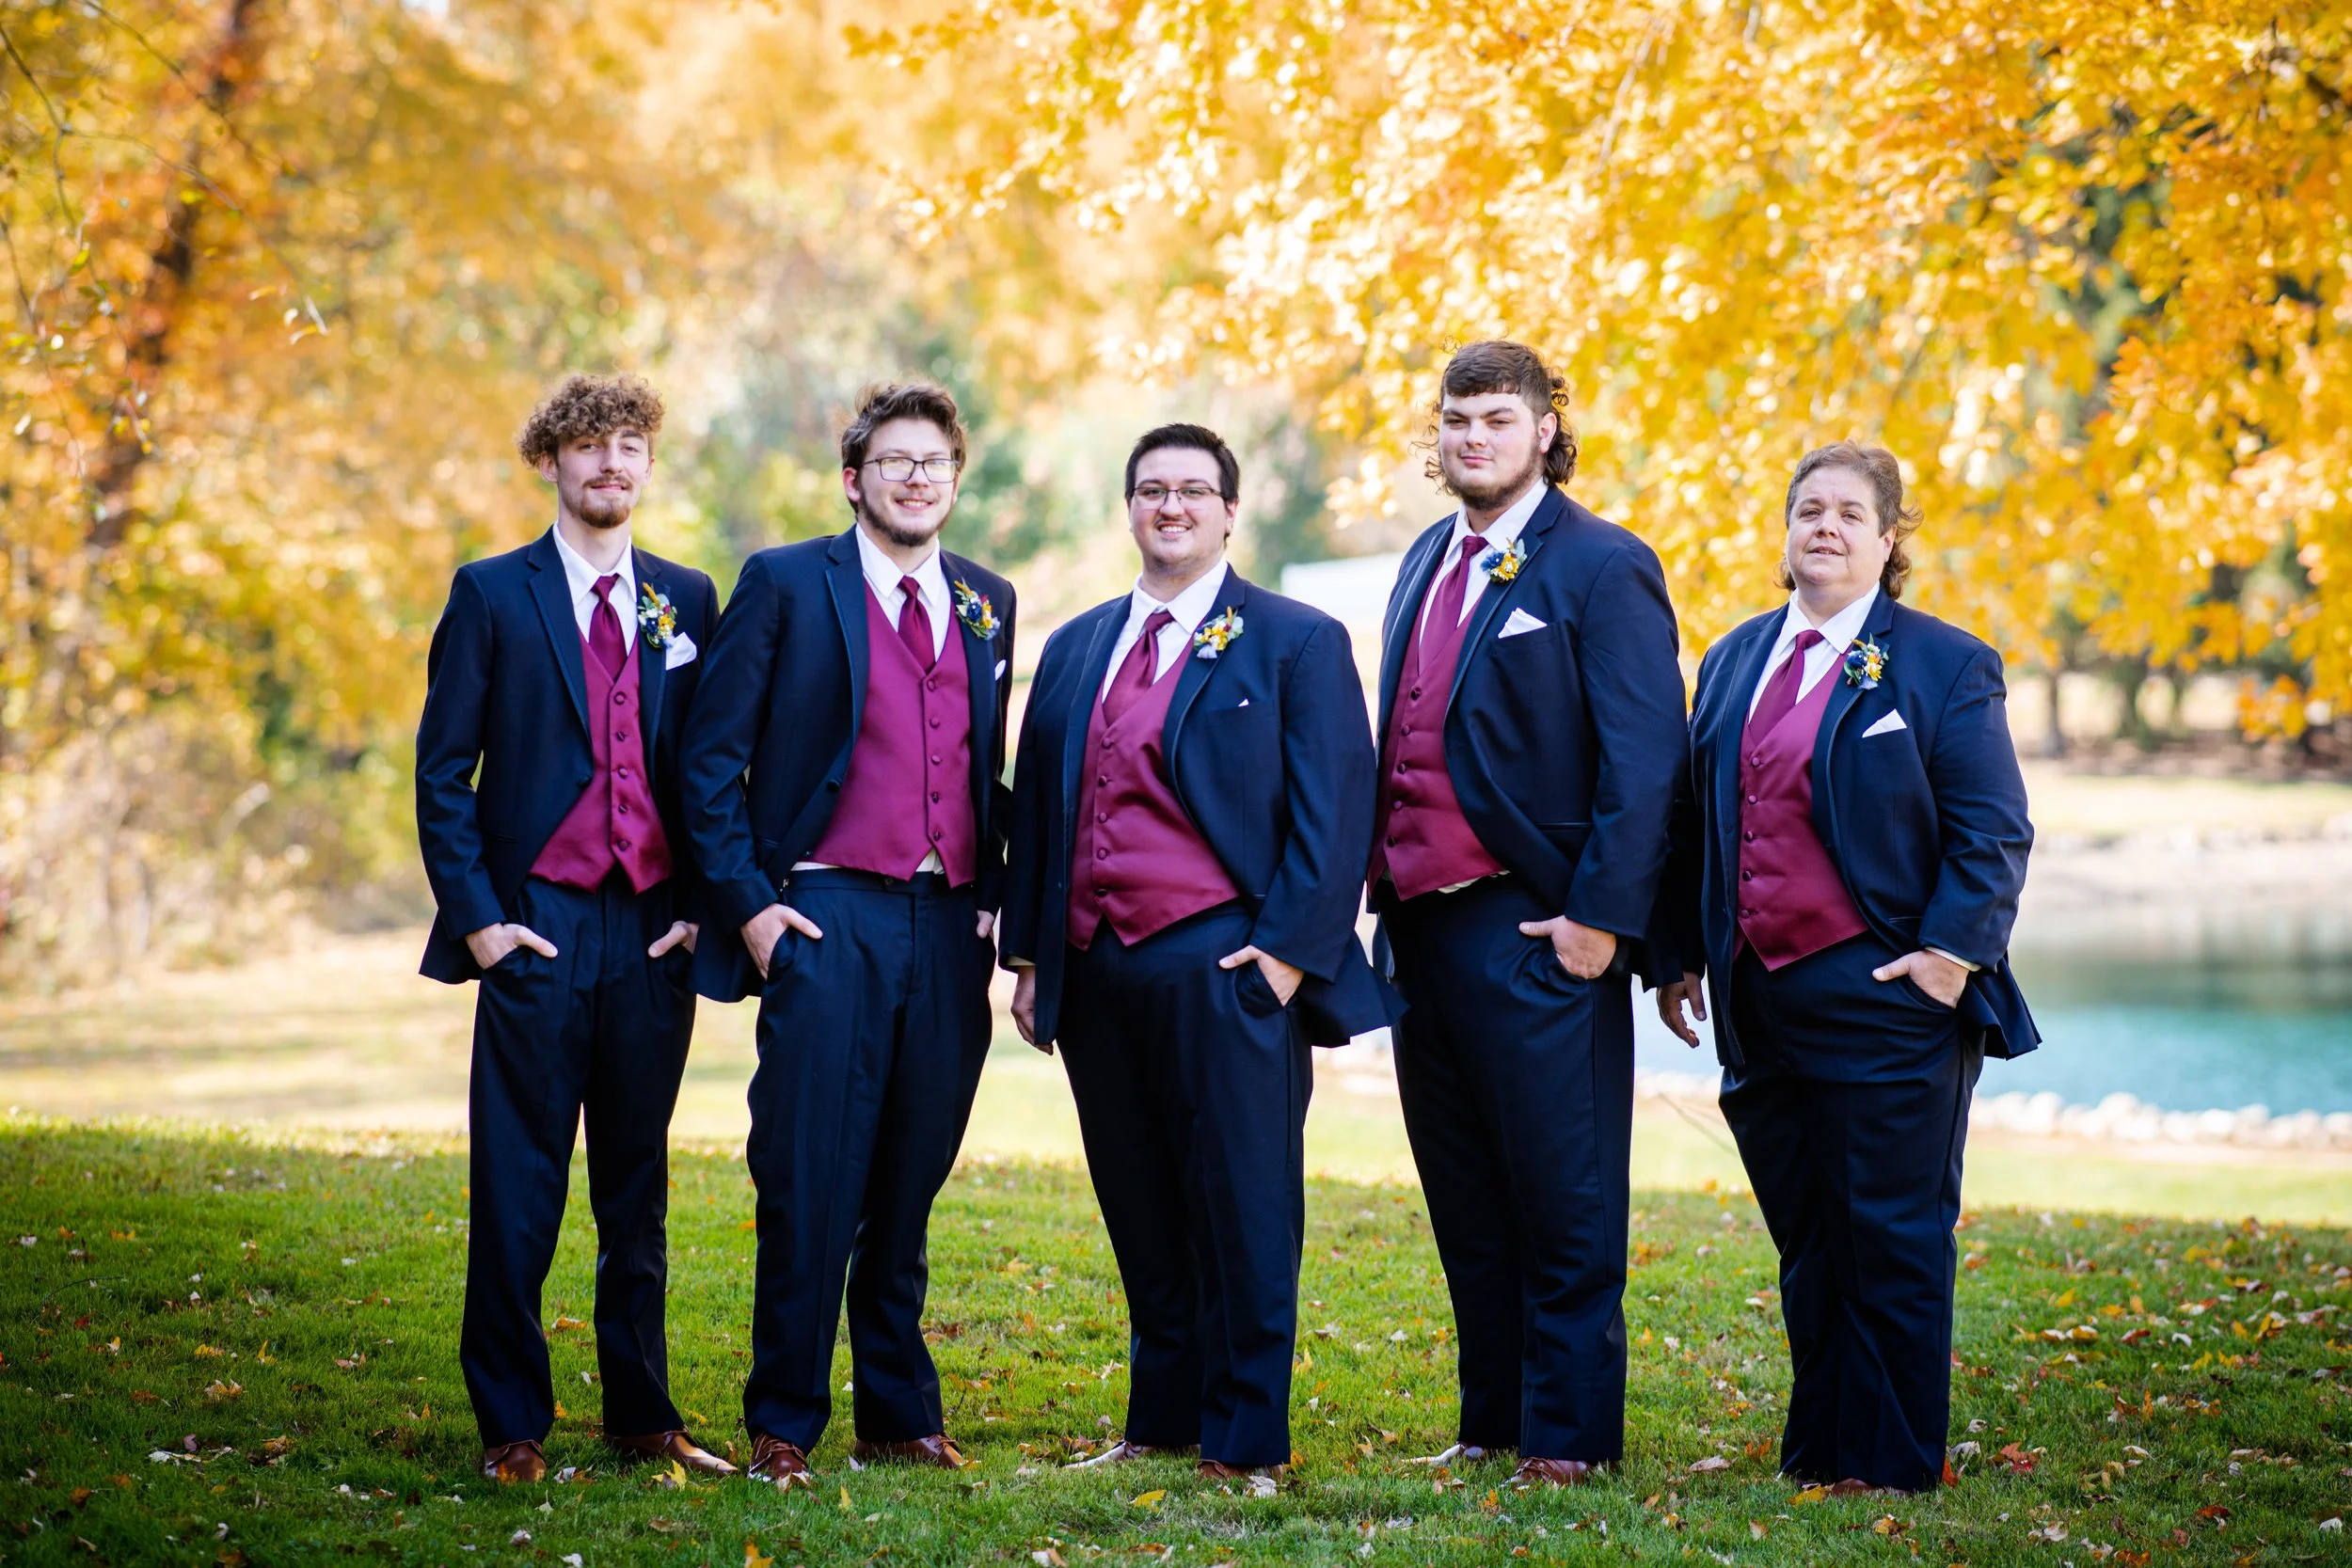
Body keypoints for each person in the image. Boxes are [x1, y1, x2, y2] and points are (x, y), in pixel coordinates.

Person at [999, 423, 1387, 1481]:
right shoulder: (1078, 644)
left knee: (1246, 1206)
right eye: (1151, 490)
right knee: (1139, 1199)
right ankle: (1159, 1418)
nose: (1170, 507)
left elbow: (1335, 807)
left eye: (1192, 491)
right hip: (1097, 969)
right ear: (1129, 507)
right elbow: (1040, 810)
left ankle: (1246, 1436)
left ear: (1227, 510)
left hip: (1228, 967)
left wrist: (1286, 957)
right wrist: (1033, 958)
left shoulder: (1294, 640)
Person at [1652, 441, 2036, 1495]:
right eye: (1807, 508)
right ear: (1785, 530)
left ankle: (1893, 1459)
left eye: (1849, 513)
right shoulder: (1732, 657)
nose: (1824, 525)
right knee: (1810, 1236)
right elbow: (1696, 820)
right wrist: (1679, 950)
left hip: (1888, 997)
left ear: (1887, 538)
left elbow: (1992, 829)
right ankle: (1821, 1447)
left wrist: (1950, 959)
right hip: (1757, 999)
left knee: (1891, 1237)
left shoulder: (1942, 663)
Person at [679, 382, 1016, 1489]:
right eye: (895, 463)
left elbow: (982, 765)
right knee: (810, 1170)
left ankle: (899, 1412)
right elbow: (706, 763)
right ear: (853, 478)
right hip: (825, 914)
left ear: (955, 480)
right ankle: (784, 1420)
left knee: (911, 1172)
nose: (916, 479)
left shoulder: (988, 600)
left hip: (945, 921)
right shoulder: (784, 583)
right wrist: (754, 910)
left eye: (934, 464)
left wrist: (994, 889)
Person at [1369, 341, 1688, 1488]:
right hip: (1420, 937)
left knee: (1564, 1195)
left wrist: (1602, 918)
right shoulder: (1421, 556)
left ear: (1547, 428)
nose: (1472, 438)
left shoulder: (1603, 565)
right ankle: (1491, 1419)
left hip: (1537, 931)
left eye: (1497, 419)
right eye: (1456, 419)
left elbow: (1646, 760)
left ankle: (1567, 1436)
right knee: (1465, 1191)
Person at [415, 373, 727, 1484]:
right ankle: (512, 1422)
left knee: (635, 1186)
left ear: (648, 464)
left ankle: (641, 1412)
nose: (610, 464)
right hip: (536, 925)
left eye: (629, 445)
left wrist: (700, 907)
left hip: (651, 931)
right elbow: (444, 772)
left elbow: (713, 767)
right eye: (588, 445)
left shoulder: (688, 598)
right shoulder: (492, 593)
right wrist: (484, 925)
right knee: (519, 1183)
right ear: (549, 459)